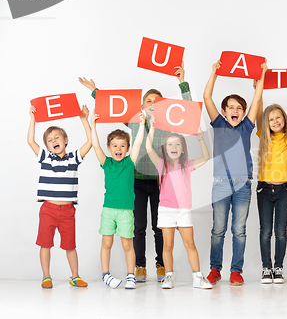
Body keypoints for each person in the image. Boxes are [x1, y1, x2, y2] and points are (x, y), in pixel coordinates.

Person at [79, 64, 191, 282]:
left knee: (160, 226)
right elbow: (115, 106)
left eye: (158, 102)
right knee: (138, 227)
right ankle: (139, 266)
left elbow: (188, 111)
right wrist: (95, 92)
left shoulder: (168, 123)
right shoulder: (134, 121)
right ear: (142, 106)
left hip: (161, 183)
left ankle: (161, 264)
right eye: (149, 101)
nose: (153, 104)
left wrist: (182, 82)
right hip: (137, 183)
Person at [204, 60, 267, 285]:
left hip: (243, 184)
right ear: (223, 111)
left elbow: (257, 100)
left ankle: (236, 271)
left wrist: (261, 78)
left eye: (239, 108)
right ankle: (215, 269)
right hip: (221, 183)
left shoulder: (246, 126)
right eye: (230, 107)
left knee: (239, 230)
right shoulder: (219, 124)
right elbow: (207, 98)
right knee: (218, 230)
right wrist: (214, 73)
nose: (235, 110)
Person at [27, 105, 92, 288]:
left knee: (70, 245)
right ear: (47, 146)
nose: (53, 140)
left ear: (66, 140)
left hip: (68, 211)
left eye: (57, 137)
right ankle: (46, 276)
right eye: (49, 140)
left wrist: (83, 119)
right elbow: (30, 141)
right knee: (45, 244)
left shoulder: (73, 158)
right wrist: (33, 119)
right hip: (48, 209)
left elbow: (90, 142)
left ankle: (75, 276)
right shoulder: (46, 158)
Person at [145, 122, 212, 289]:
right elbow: (148, 148)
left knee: (190, 244)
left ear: (182, 149)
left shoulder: (186, 165)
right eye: (170, 144)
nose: (173, 147)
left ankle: (197, 276)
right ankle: (169, 276)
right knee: (167, 245)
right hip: (166, 211)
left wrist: (200, 139)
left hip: (183, 211)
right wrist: (152, 128)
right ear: (165, 149)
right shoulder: (161, 165)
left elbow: (205, 157)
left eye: (177, 144)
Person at [90, 112, 145, 289]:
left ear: (127, 148)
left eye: (122, 145)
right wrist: (93, 124)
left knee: (127, 243)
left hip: (126, 211)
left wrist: (142, 124)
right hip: (108, 211)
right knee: (106, 243)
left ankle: (131, 276)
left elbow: (138, 143)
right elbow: (95, 145)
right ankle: (105, 275)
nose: (118, 148)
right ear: (109, 147)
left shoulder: (130, 162)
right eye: (114, 145)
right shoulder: (106, 163)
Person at [255, 76, 287, 284]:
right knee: (266, 231)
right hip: (264, 190)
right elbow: (258, 109)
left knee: (281, 231)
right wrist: (259, 90)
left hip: (286, 190)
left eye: (278, 117)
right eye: (271, 119)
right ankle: (266, 268)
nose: (275, 121)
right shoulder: (263, 134)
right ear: (266, 122)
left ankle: (278, 267)